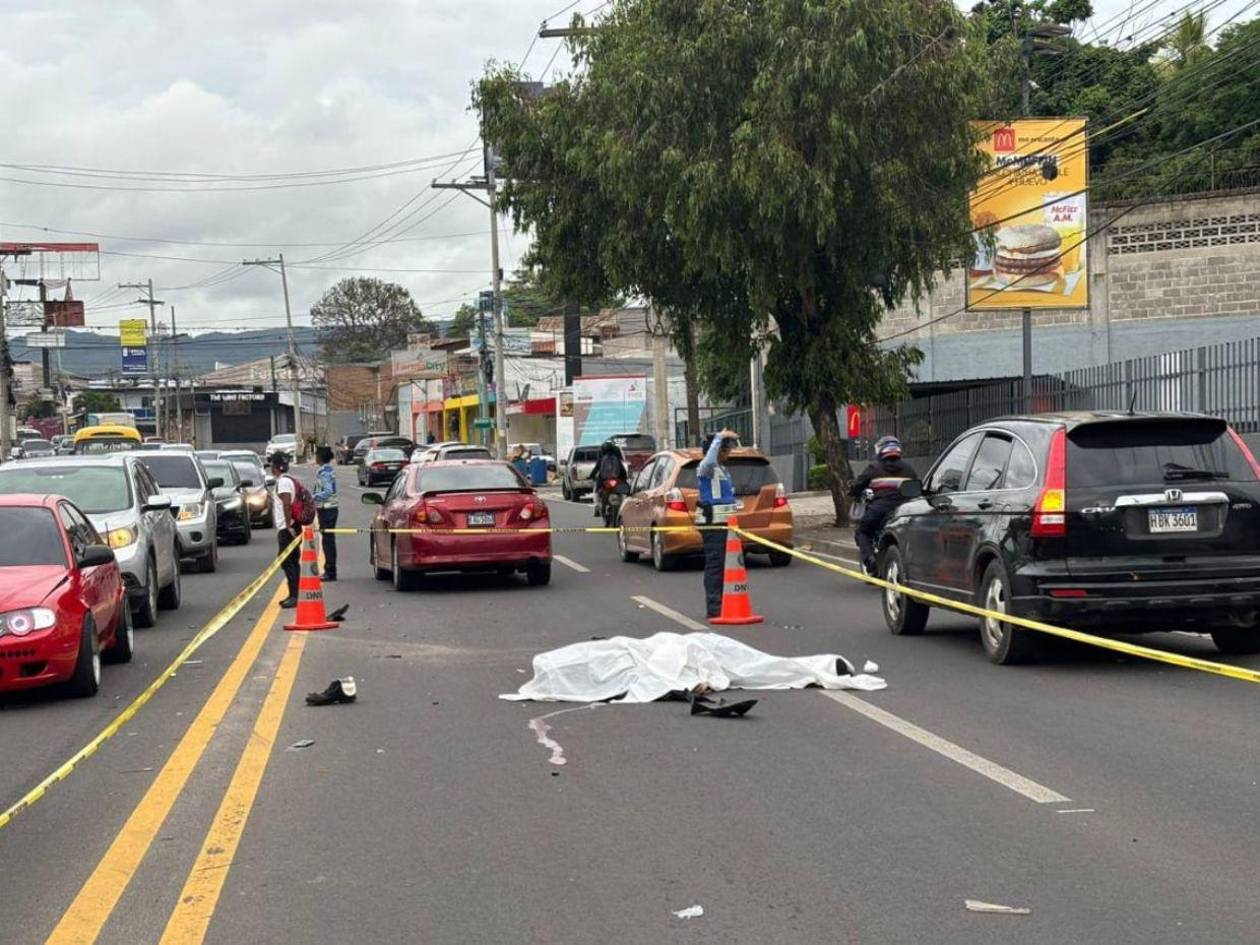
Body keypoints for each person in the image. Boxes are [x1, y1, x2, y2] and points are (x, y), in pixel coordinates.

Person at [849, 435, 919, 576]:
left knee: (862, 532)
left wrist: (853, 491)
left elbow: (857, 486)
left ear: (880, 450)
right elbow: (916, 489)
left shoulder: (874, 468)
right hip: (903, 511)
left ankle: (870, 560)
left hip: (879, 509)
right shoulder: (909, 469)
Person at [697, 430, 740, 619]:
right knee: (715, 564)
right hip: (713, 524)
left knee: (725, 565)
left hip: (725, 523)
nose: (728, 453)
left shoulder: (723, 470)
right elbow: (709, 460)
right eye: (725, 450)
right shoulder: (707, 467)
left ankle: (724, 604)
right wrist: (719, 437)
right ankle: (714, 608)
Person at [269, 451, 301, 608]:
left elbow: (287, 504)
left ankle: (295, 596)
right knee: (292, 561)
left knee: (287, 561)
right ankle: (293, 594)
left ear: (274, 466)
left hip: (287, 528)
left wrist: (288, 526)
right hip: (291, 525)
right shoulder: (287, 480)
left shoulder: (283, 482)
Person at [312, 445, 338, 582]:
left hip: (327, 508)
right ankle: (330, 569)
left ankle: (330, 570)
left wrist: (314, 497)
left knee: (327, 541)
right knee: (328, 540)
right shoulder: (328, 470)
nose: (315, 457)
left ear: (320, 457)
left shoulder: (324, 472)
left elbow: (327, 491)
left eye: (316, 455)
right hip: (330, 508)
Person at [588, 440, 628, 519]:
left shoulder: (602, 459)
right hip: (616, 481)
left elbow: (595, 470)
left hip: (604, 481)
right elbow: (623, 471)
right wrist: (624, 478)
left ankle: (597, 507)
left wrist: (591, 476)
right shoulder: (617, 459)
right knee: (623, 492)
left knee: (596, 491)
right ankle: (623, 508)